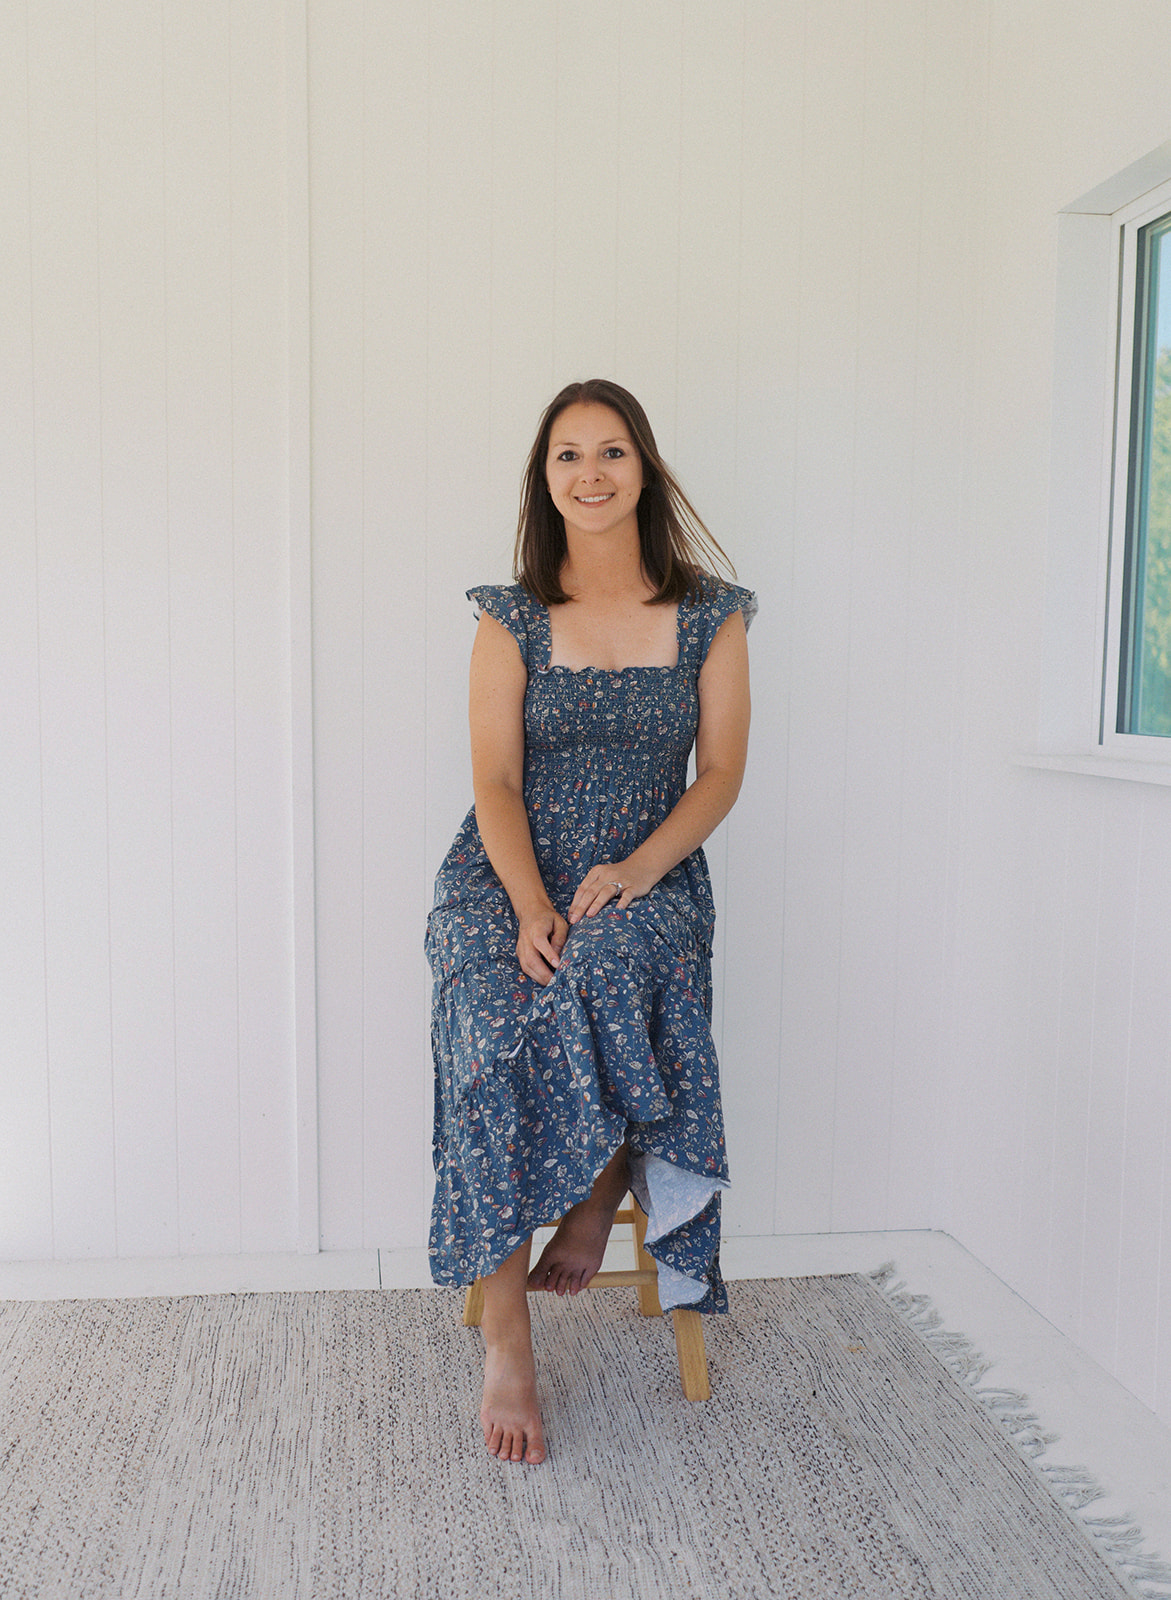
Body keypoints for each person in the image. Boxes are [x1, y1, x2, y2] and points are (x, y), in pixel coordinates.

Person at [425, 378, 754, 1466]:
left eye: (611, 450)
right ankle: (508, 1337)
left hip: (647, 876)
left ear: (644, 468)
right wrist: (528, 903)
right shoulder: (510, 613)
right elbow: (494, 780)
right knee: (489, 1020)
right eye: (567, 454)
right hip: (508, 872)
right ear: (545, 477)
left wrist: (638, 868)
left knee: (608, 963)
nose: (591, 473)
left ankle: (597, 1187)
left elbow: (720, 774)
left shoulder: (710, 612)